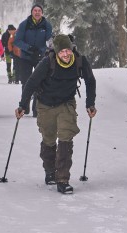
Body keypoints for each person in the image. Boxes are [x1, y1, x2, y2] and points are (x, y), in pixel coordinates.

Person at [15, 34, 96, 194]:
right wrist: (23, 104)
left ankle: (62, 179)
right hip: (45, 104)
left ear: (72, 49)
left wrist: (90, 103)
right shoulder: (47, 62)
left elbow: (90, 80)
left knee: (66, 137)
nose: (65, 54)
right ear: (56, 52)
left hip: (66, 103)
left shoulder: (80, 61)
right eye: (62, 52)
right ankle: (50, 170)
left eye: (68, 50)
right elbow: (31, 83)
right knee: (49, 138)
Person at [13, 5, 54, 116]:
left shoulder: (47, 25)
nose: (37, 12)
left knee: (39, 83)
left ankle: (36, 108)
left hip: (41, 58)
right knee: (26, 82)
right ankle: (24, 106)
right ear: (31, 12)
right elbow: (17, 41)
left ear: (42, 13)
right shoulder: (24, 24)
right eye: (35, 11)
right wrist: (29, 48)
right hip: (25, 57)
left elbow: (50, 42)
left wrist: (41, 50)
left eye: (39, 11)